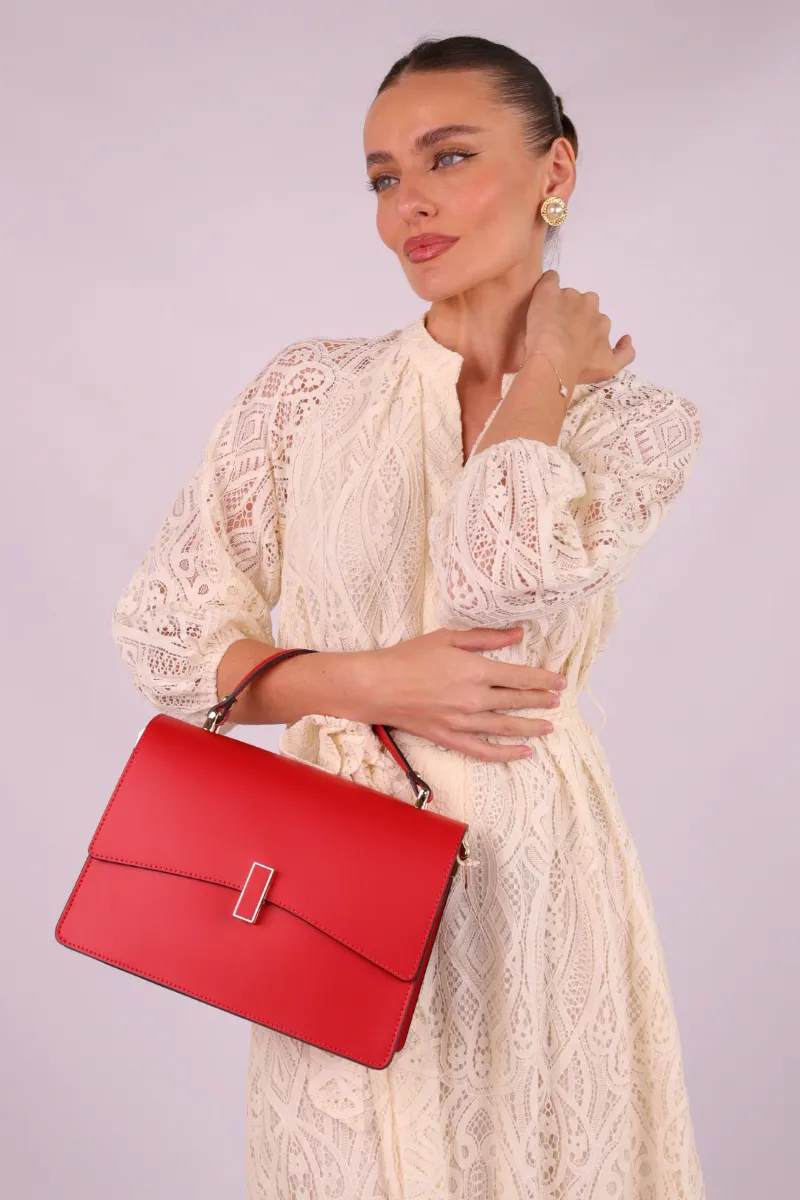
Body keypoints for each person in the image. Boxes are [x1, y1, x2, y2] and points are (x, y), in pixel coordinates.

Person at [111, 33, 706, 1200]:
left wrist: (543, 377)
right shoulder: (305, 395)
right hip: (326, 874)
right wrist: (373, 682)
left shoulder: (635, 425)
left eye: (448, 157)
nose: (407, 206)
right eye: (383, 176)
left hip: (534, 881)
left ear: (555, 170)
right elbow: (166, 638)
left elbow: (497, 571)